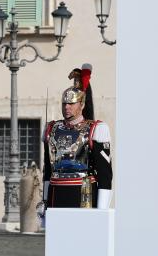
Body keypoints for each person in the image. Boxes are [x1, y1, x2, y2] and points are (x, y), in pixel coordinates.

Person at [39, 64, 113, 217]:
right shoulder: (51, 129)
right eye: (64, 103)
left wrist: (102, 211)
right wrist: (45, 202)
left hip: (84, 191)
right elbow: (48, 171)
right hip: (56, 193)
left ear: (82, 105)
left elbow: (105, 174)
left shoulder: (95, 129)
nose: (67, 107)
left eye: (71, 103)